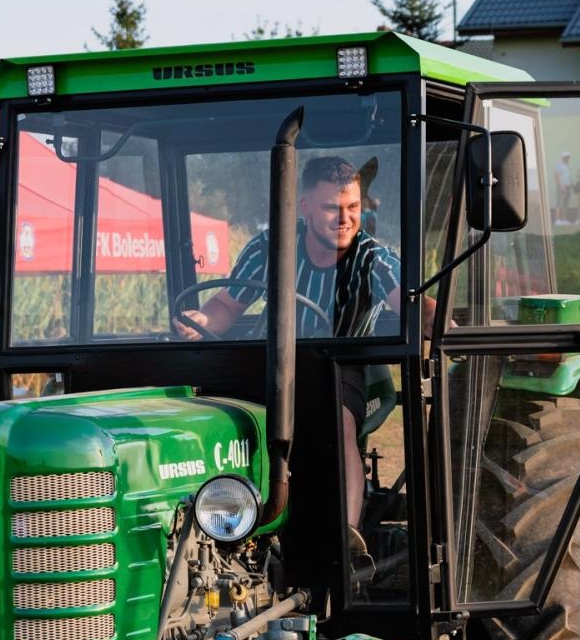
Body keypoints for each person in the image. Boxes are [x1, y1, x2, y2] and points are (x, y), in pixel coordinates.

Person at [175, 156, 431, 570]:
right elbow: (224, 306)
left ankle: (347, 542)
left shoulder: (371, 257)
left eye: (353, 207)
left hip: (338, 365)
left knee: (339, 425)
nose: (345, 219)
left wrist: (436, 318)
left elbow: (410, 303)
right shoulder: (271, 246)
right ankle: (219, 528)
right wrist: (202, 320)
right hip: (272, 364)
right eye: (333, 208)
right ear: (306, 207)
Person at [553, 152, 574, 225]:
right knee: (559, 203)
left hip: (568, 187)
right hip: (562, 186)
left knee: (565, 204)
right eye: (566, 157)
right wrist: (561, 186)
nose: (567, 158)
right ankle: (557, 220)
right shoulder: (559, 165)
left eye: (568, 157)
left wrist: (572, 185)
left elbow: (569, 177)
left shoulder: (567, 166)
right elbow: (556, 175)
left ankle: (564, 220)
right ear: (562, 157)